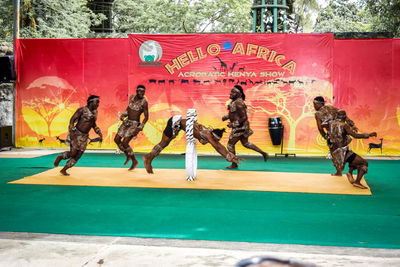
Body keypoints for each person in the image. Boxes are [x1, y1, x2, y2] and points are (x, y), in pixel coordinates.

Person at [142, 115, 241, 174]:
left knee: (164, 144)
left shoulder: (210, 135)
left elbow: (218, 144)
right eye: (214, 139)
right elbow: (217, 147)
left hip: (179, 124)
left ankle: (149, 158)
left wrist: (228, 155)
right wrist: (228, 156)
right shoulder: (208, 135)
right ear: (212, 135)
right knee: (163, 144)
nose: (214, 141)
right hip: (175, 122)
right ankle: (147, 159)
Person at [54, 95, 103, 176]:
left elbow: (93, 124)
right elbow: (72, 121)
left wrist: (98, 131)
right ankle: (60, 157)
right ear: (91, 102)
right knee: (73, 153)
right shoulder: (82, 110)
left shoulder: (95, 112)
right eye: (97, 102)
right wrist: (72, 132)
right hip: (76, 134)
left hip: (85, 136)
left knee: (79, 155)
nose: (98, 104)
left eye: (99, 103)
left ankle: (64, 169)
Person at [222, 85, 268, 169]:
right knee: (246, 143)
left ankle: (234, 164)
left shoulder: (239, 103)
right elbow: (234, 114)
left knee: (230, 145)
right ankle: (263, 153)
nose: (231, 93)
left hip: (240, 127)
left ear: (238, 94)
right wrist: (227, 117)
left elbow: (244, 117)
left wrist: (233, 124)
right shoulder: (234, 102)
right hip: (241, 126)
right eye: (231, 91)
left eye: (233, 92)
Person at [329, 110, 376, 189]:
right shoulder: (344, 125)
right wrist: (368, 135)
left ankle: (350, 173)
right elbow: (355, 135)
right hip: (342, 152)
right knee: (364, 163)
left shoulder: (331, 124)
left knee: (354, 159)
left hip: (334, 151)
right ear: (344, 117)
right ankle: (357, 182)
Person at [313, 96, 357, 176]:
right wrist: (352, 125)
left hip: (332, 135)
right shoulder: (332, 108)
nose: (314, 106)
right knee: (345, 151)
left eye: (315, 104)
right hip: (342, 134)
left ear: (319, 103)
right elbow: (344, 116)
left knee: (334, 154)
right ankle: (353, 165)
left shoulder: (318, 114)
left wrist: (324, 136)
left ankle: (339, 172)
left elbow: (320, 128)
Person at [114, 85, 149, 170]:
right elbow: (128, 109)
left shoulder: (144, 102)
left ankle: (134, 161)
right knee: (117, 139)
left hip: (134, 124)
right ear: (137, 91)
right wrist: (123, 115)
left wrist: (141, 125)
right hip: (127, 122)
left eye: (143, 92)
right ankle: (128, 155)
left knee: (125, 143)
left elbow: (146, 116)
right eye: (140, 91)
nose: (142, 93)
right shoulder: (132, 97)